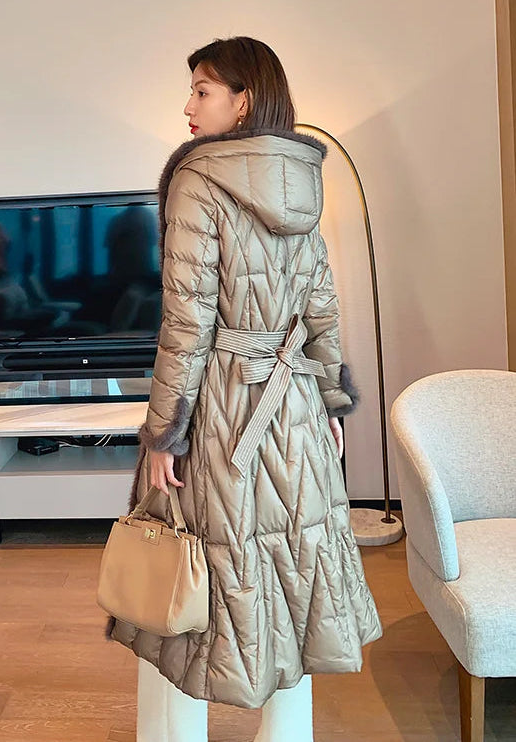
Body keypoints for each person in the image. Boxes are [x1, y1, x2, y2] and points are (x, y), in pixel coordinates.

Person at [103, 36, 383, 741]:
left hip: (222, 411)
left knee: (185, 574)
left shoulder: (199, 179)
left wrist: (164, 433)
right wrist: (330, 398)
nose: (188, 106)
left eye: (201, 90)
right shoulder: (303, 178)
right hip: (294, 405)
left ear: (242, 100)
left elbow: (187, 323)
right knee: (295, 572)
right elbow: (320, 303)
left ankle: (171, 736)